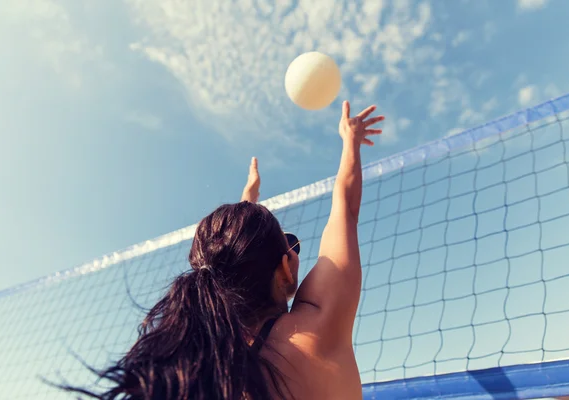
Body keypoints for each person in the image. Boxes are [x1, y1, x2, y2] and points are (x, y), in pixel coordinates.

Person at [59, 101, 383, 399]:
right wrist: (350, 141)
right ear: (285, 268)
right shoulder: (317, 325)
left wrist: (247, 202)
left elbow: (231, 260)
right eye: (291, 247)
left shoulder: (213, 370)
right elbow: (345, 209)